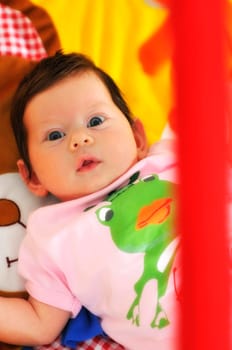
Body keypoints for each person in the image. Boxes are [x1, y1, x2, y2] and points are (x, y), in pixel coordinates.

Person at [0, 50, 180, 350]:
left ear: (137, 138)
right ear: (31, 176)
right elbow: (38, 324)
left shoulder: (172, 157)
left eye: (95, 121)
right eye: (55, 135)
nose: (80, 139)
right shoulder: (52, 237)